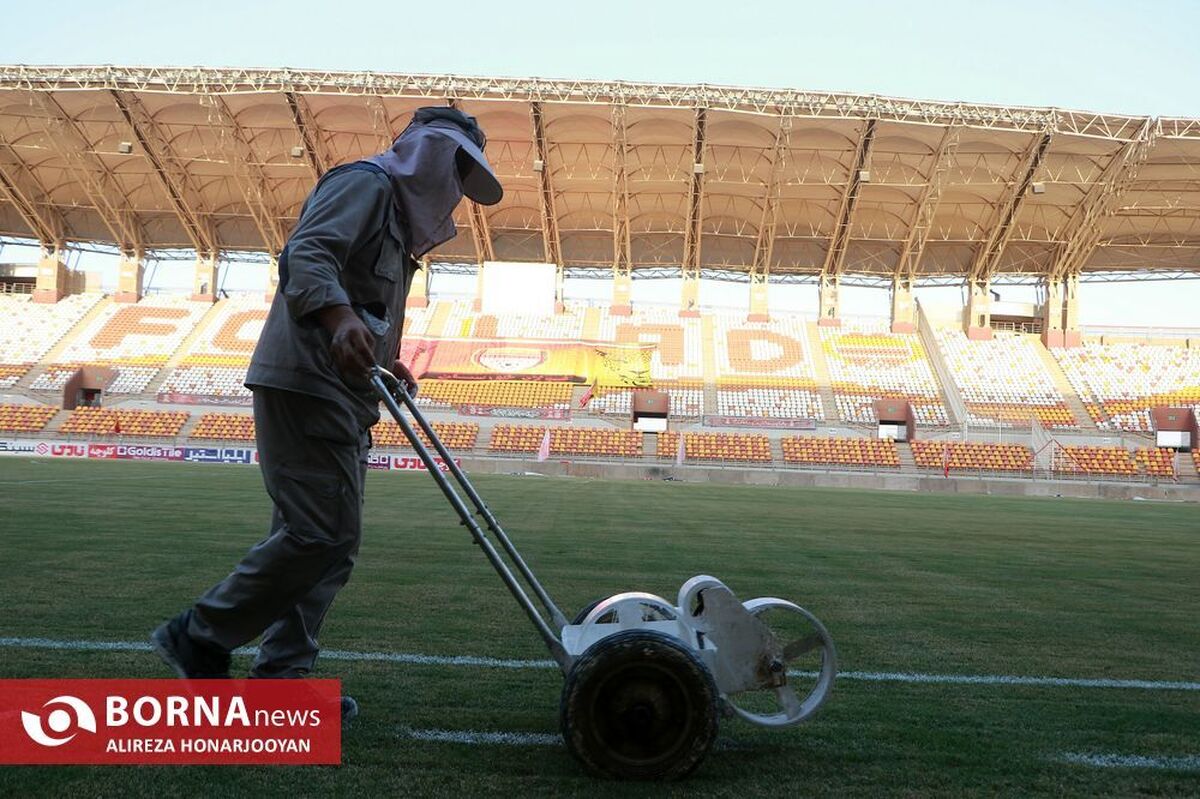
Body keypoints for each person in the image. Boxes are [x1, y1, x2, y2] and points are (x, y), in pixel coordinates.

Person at [151, 107, 503, 726]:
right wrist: (337, 320)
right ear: (430, 155)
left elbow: (366, 302)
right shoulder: (365, 185)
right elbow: (309, 254)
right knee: (323, 534)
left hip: (342, 389)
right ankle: (200, 634)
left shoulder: (395, 219)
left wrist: (386, 360)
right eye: (456, 169)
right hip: (308, 380)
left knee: (327, 544)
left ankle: (280, 681)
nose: (456, 191)